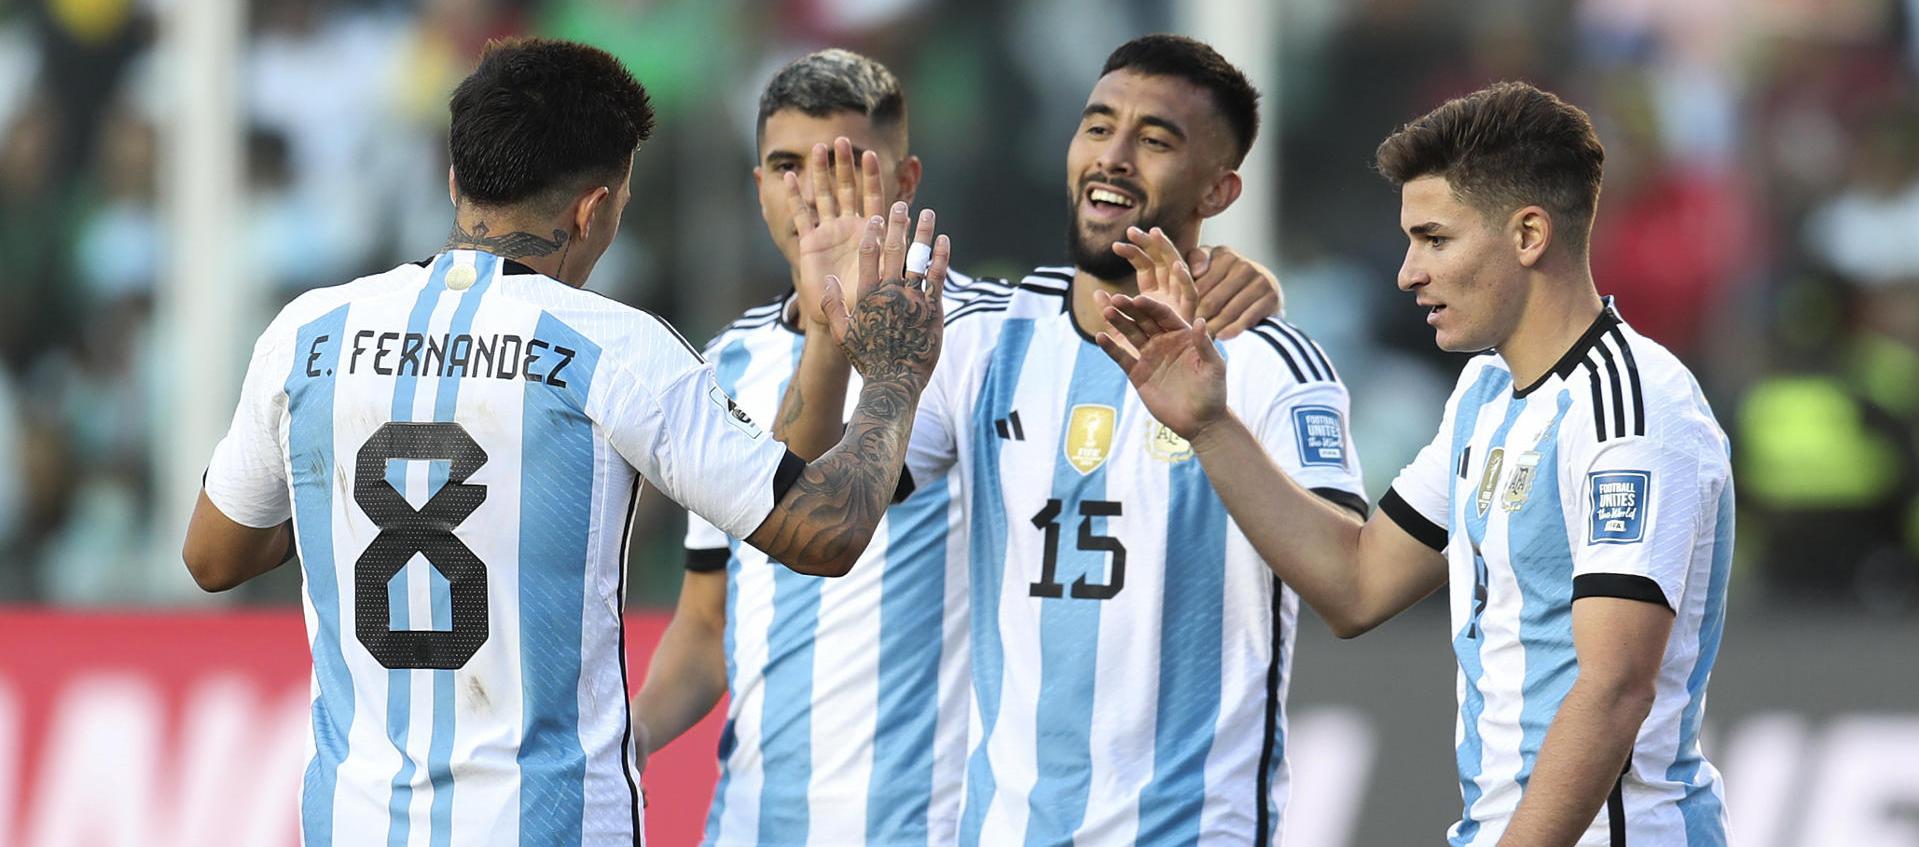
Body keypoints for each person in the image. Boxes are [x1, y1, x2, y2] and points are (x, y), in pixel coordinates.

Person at [180, 38, 948, 846]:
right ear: (594, 206)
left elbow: (212, 556)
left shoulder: (309, 332)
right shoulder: (615, 349)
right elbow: (822, 531)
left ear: (455, 181)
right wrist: (893, 375)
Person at [633, 48, 1284, 846]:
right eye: (786, 165)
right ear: (757, 182)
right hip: (751, 824)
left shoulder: (975, 339)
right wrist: (621, 740)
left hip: (929, 824)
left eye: (844, 167)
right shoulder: (725, 359)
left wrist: (1223, 270)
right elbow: (708, 620)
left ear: (904, 185)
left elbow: (1091, 312)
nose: (814, 192)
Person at [1095, 81, 1732, 846]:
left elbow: (1614, 688)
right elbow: (1357, 583)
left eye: (1434, 239)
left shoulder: (1631, 409)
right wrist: (1208, 424)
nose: (1407, 272)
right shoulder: (1485, 393)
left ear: (1528, 235)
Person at [776, 35, 1359, 846]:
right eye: (1097, 126)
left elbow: (1348, 587)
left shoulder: (1266, 360)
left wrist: (1212, 424)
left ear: (1220, 190)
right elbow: (803, 521)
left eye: (1155, 139)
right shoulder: (983, 340)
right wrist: (827, 330)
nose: (1114, 156)